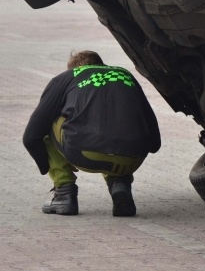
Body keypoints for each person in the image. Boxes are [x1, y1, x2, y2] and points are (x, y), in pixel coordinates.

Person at [22, 50, 161, 217]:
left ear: (73, 68)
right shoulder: (124, 75)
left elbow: (31, 136)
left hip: (85, 153)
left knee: (48, 120)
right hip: (132, 159)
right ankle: (120, 184)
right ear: (101, 65)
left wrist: (46, 164)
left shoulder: (66, 77)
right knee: (116, 125)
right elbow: (155, 142)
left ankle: (64, 193)